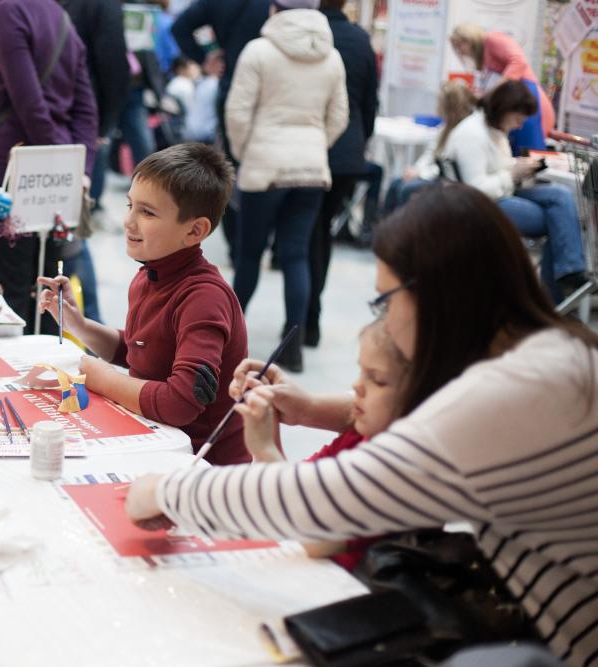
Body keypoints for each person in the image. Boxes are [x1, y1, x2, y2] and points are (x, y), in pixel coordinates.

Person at [126, 183, 598, 666]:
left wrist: (166, 491)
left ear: (440, 298)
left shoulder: (507, 394)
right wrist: (310, 408)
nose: (386, 325)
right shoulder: (549, 354)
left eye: (386, 303)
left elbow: (321, 501)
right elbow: (423, 417)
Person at [37, 143, 250, 466]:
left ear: (195, 230)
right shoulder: (149, 275)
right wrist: (78, 324)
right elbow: (141, 351)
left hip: (202, 466)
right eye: (130, 205)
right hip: (156, 441)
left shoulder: (204, 298)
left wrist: (104, 380)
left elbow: (180, 402)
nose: (128, 221)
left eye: (147, 212)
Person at [226, 0, 348, 372]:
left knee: (249, 254)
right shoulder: (332, 57)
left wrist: (245, 151)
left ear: (275, 9)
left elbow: (237, 112)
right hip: (311, 169)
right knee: (296, 255)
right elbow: (339, 115)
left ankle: (226, 340)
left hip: (264, 167)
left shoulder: (258, 51)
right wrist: (316, 146)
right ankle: (293, 347)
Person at [240, 319, 408, 571]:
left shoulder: (397, 464)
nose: (356, 386)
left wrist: (265, 449)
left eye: (377, 380)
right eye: (361, 372)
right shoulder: (358, 437)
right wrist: (268, 419)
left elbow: (316, 536)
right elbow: (291, 490)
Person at [0, 0, 97, 333]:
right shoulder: (60, 16)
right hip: (54, 176)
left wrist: (58, 162)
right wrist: (78, 168)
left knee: (7, 296)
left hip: (14, 170)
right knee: (47, 294)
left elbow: (28, 101)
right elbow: (86, 108)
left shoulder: (9, 11)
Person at [442, 80, 587, 302]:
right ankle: (560, 292)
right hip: (481, 204)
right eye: (519, 119)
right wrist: (512, 174)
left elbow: (496, 167)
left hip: (501, 191)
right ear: (505, 109)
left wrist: (520, 167)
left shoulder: (492, 129)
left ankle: (569, 272)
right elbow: (476, 189)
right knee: (560, 222)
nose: (519, 126)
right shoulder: (473, 135)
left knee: (561, 196)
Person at [171, 0, 273, 257]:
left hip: (232, 89)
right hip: (272, 92)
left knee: (232, 167)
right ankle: (267, 241)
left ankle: (237, 243)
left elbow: (180, 27)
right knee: (270, 167)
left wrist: (204, 59)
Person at [306, 0, 378, 348]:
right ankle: (311, 317)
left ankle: (304, 317)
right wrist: (361, 140)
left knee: (306, 235)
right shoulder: (359, 39)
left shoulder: (309, 35)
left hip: (308, 147)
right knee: (321, 233)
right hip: (346, 152)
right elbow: (369, 102)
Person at [62, 0, 130, 211]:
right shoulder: (104, 5)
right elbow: (114, 62)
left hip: (57, 104)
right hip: (85, 106)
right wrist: (106, 121)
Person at [450, 23, 554, 154]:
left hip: (525, 99)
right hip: (512, 103)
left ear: (471, 38)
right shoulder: (484, 58)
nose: (459, 51)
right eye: (456, 47)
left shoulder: (492, 39)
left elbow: (519, 62)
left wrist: (495, 91)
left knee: (528, 154)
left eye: (460, 45)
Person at [382, 80, 477, 216]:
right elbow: (430, 154)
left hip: (446, 181)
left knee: (406, 189)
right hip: (433, 175)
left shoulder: (463, 133)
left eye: (440, 102)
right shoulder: (444, 127)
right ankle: (383, 226)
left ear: (450, 106)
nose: (437, 106)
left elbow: (446, 167)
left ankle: (403, 227)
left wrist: (420, 174)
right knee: (395, 184)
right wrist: (415, 170)